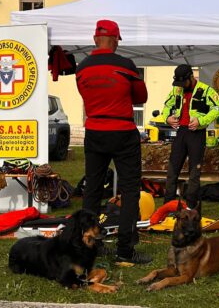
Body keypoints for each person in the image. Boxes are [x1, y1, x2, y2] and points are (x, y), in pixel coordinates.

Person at [76, 19, 152, 264]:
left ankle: (89, 245)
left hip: (95, 129)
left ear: (94, 39)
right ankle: (124, 251)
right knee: (129, 191)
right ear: (116, 40)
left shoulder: (82, 67)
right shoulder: (126, 65)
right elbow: (142, 96)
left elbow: (85, 94)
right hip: (122, 130)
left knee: (93, 190)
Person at [162, 64, 219, 209]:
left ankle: (190, 206)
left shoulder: (206, 90)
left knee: (194, 173)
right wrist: (167, 118)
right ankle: (168, 206)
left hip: (197, 133)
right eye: (179, 83)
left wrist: (201, 121)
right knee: (172, 170)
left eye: (184, 83)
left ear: (191, 77)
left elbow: (218, 108)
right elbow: (166, 105)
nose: (181, 86)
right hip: (181, 132)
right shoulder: (177, 89)